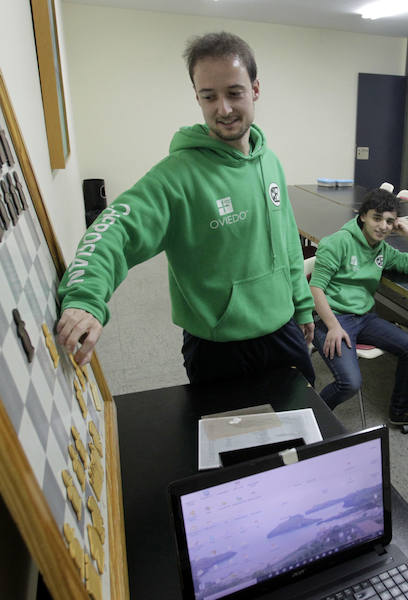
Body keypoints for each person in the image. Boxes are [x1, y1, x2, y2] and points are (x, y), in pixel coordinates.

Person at [55, 32, 316, 385]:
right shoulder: (176, 176)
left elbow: (286, 241)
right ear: (197, 97)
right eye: (209, 96)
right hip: (219, 347)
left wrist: (301, 305)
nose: (222, 108)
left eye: (234, 93)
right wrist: (85, 298)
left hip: (283, 331)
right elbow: (112, 229)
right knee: (232, 441)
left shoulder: (269, 161)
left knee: (307, 432)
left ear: (255, 89)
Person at [310, 188, 408, 428]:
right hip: (331, 318)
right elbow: (315, 289)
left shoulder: (383, 250)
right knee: (349, 383)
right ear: (363, 217)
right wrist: (333, 326)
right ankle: (312, 419)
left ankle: (399, 411)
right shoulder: (337, 243)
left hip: (364, 318)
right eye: (377, 218)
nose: (383, 226)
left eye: (390, 221)